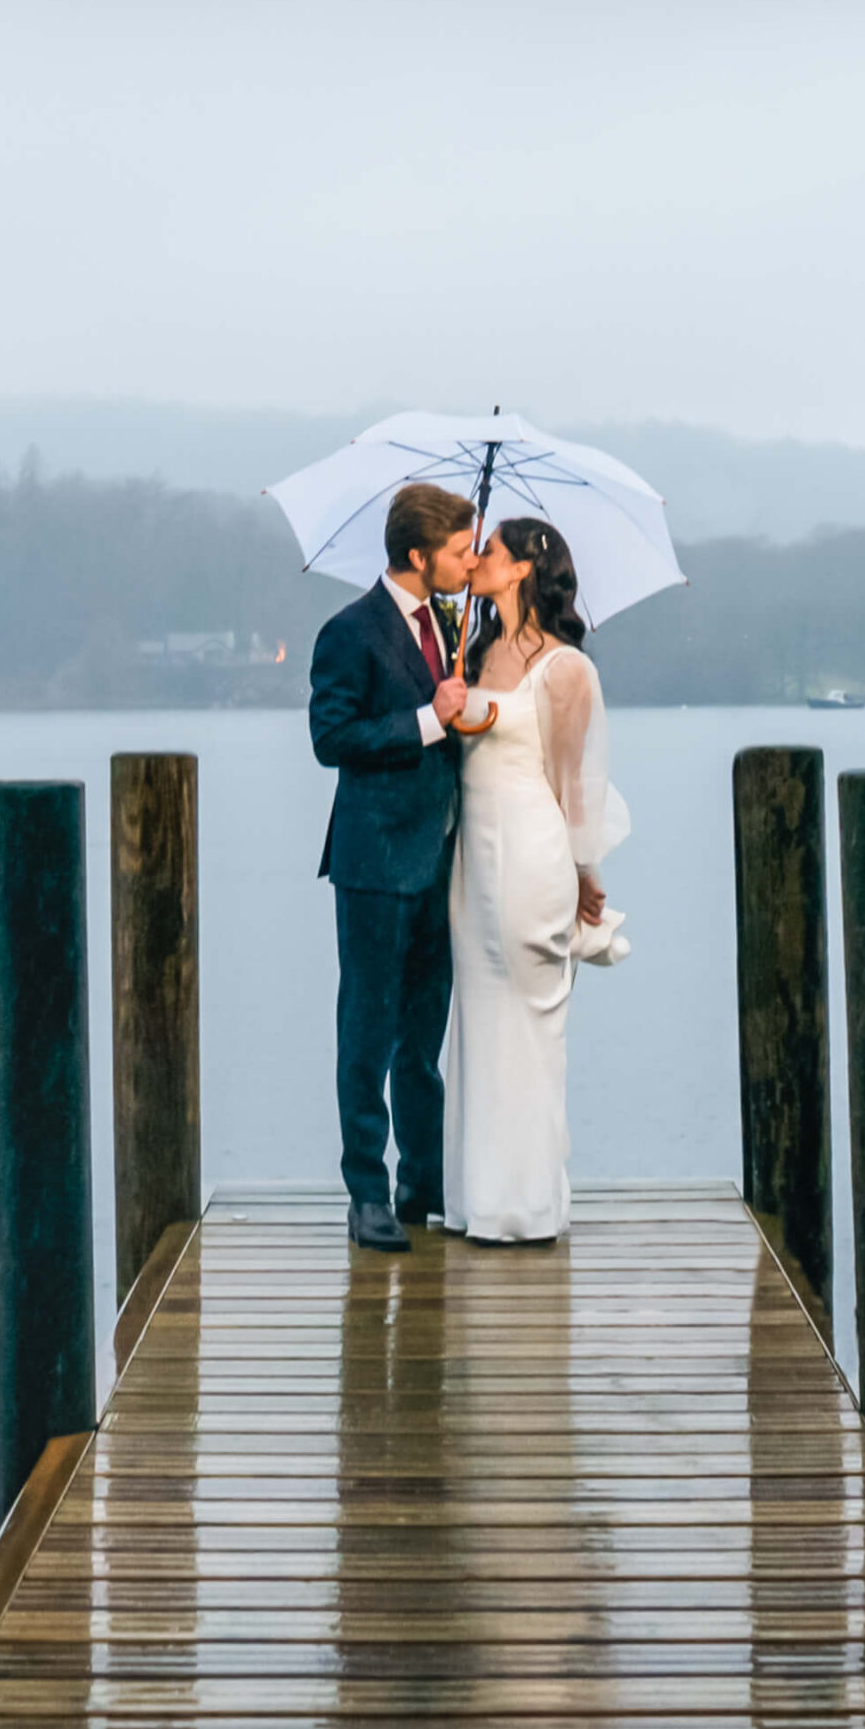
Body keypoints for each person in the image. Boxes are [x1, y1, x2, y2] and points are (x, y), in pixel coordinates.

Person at [443, 516, 629, 1244]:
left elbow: (573, 783)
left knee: (528, 1020)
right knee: (480, 1019)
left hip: (530, 852)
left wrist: (586, 871)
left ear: (521, 569)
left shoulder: (565, 668)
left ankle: (526, 1206)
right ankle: (476, 1200)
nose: (476, 560)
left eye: (487, 552)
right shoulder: (475, 650)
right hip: (470, 860)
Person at [309, 482, 477, 1251]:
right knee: (367, 1030)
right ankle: (365, 1192)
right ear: (417, 555)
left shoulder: (451, 627)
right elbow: (331, 738)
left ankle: (422, 1180)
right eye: (457, 551)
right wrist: (426, 718)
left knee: (423, 1034)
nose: (468, 564)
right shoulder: (347, 631)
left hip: (440, 858)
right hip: (373, 862)